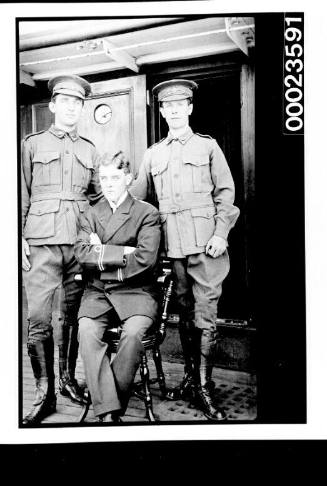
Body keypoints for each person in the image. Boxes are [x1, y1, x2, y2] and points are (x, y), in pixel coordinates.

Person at [130, 79, 240, 421]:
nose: (175, 110)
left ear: (190, 108)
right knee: (185, 316)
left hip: (207, 246)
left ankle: (204, 389)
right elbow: (135, 198)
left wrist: (222, 233)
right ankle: (192, 379)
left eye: (181, 105)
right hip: (173, 249)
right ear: (162, 111)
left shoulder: (207, 147)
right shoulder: (153, 153)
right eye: (168, 106)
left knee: (205, 317)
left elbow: (225, 193)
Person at [22, 74, 103, 424]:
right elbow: (16, 191)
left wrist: (99, 233)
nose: (72, 107)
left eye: (78, 102)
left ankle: (68, 380)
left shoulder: (90, 149)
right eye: (66, 101)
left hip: (79, 245)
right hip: (41, 242)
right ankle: (45, 391)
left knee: (70, 316)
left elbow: (98, 198)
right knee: (38, 317)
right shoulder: (32, 144)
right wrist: (14, 237)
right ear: (53, 105)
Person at [74, 151, 161, 422]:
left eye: (115, 177)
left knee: (133, 334)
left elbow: (145, 259)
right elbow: (81, 253)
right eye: (103, 178)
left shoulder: (147, 213)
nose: (108, 184)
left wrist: (103, 252)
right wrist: (124, 250)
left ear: (129, 178)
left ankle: (108, 404)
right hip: (97, 293)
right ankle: (110, 409)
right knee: (87, 331)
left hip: (136, 292)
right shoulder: (90, 213)